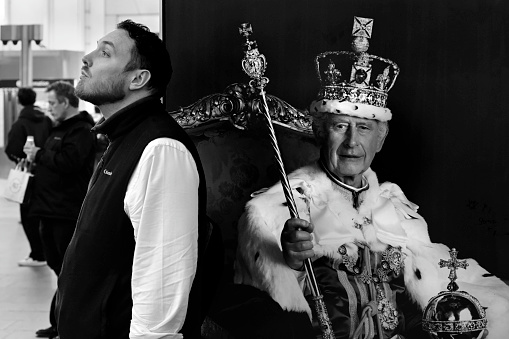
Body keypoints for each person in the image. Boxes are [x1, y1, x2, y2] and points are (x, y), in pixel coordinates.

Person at [231, 17, 509, 339]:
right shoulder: (276, 209)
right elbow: (262, 303)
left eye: (364, 128)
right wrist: (290, 262)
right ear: (321, 132)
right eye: (340, 126)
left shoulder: (393, 204)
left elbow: (439, 280)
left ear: (380, 139)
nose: (352, 143)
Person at [55, 20, 209, 339]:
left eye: (104, 53)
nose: (87, 58)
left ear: (138, 78)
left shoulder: (160, 149)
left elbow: (162, 276)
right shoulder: (122, 139)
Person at [23, 81, 96, 339]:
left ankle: (65, 323)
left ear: (66, 102)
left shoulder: (82, 130)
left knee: (68, 270)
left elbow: (70, 162)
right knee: (57, 266)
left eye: (53, 103)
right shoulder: (59, 129)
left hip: (66, 211)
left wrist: (41, 154)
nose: (49, 108)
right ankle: (60, 321)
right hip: (48, 209)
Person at [4, 87, 52, 267]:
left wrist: (21, 160)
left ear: (19, 101)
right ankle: (45, 251)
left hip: (27, 175)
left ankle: (38, 254)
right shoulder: (46, 120)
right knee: (42, 213)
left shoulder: (20, 124)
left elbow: (12, 150)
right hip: (46, 170)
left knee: (28, 214)